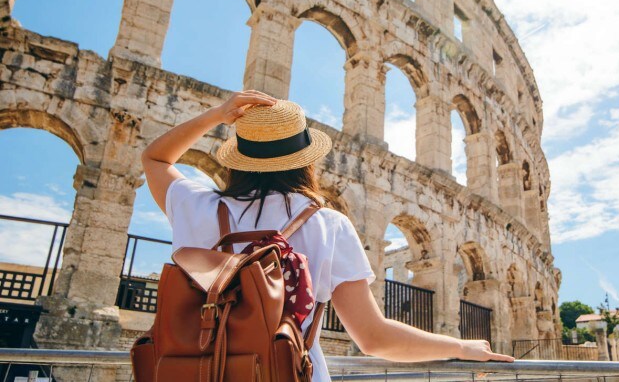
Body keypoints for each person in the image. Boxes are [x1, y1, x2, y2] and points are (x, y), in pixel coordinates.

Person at [141, 89, 514, 381]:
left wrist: (217, 115)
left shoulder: (196, 206)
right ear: (306, 159)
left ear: (239, 158)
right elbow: (374, 337)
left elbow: (155, 158)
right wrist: (460, 347)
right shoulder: (329, 225)